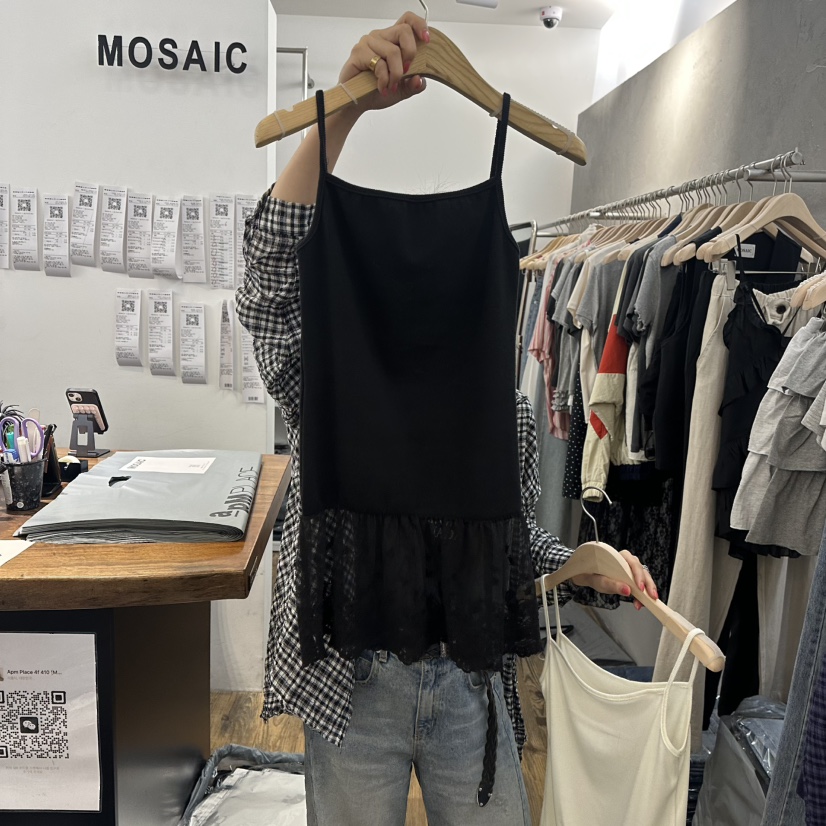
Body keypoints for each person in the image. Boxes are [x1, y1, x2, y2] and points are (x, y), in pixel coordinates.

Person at [236, 12, 658, 825]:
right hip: (352, 685)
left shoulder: (508, 419)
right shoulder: (324, 388)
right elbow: (267, 278)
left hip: (469, 683)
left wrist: (587, 565)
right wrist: (343, 111)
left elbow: (511, 551)